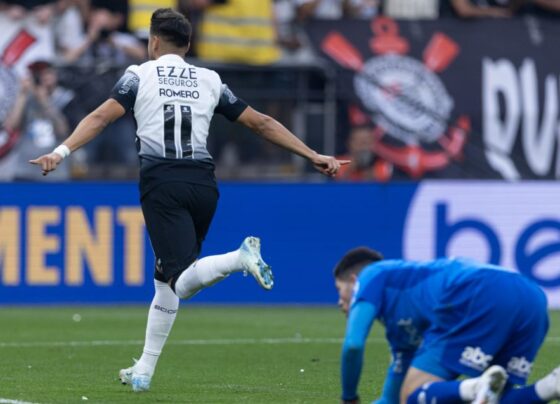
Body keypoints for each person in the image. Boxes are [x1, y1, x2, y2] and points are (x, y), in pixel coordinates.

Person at [30, 8, 347, 392]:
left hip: (162, 181)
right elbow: (260, 122)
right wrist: (312, 154)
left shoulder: (139, 74)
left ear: (154, 42)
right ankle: (143, 371)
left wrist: (60, 152)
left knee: (180, 282)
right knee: (165, 279)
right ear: (189, 45)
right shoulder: (209, 79)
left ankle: (238, 258)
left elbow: (100, 117)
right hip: (203, 185)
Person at [333, 247, 560, 404]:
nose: (339, 302)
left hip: (479, 289)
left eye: (339, 290)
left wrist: (349, 397)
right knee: (495, 397)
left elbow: (353, 345)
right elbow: (392, 400)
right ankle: (550, 386)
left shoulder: (373, 273)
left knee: (413, 394)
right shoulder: (402, 332)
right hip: (532, 297)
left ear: (353, 281)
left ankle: (474, 387)